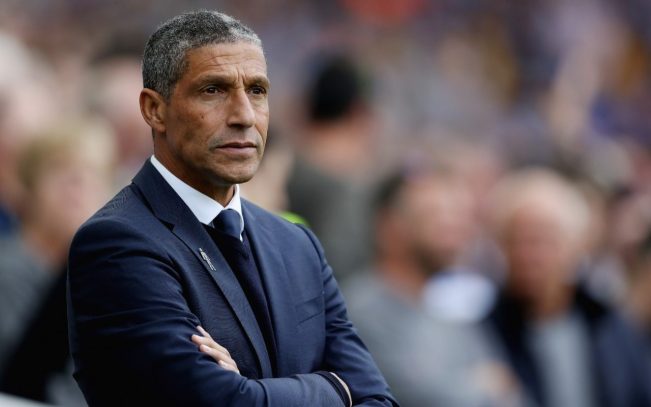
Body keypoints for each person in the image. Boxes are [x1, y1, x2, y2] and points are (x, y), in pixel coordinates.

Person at [67, 10, 397, 407]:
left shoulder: (297, 244)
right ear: (155, 109)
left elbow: (377, 400)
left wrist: (251, 389)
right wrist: (334, 390)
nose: (244, 115)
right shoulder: (116, 242)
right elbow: (218, 402)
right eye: (213, 90)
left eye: (257, 91)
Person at [344, 165, 527, 407]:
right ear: (389, 227)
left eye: (457, 216)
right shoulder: (361, 312)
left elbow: (508, 386)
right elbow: (416, 398)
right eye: (434, 215)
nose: (454, 229)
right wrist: (481, 388)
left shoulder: (448, 311)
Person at [485, 168, 651, 407]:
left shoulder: (607, 327)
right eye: (516, 241)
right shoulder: (486, 336)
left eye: (542, 241)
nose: (528, 256)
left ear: (574, 246)